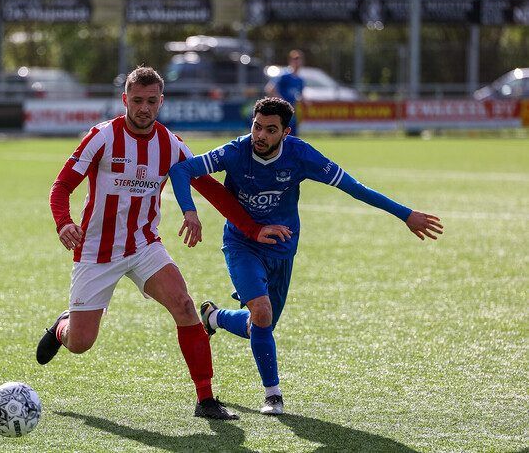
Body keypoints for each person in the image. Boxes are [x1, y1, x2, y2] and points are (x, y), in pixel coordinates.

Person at [37, 66, 290, 420]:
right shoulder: (101, 137)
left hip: (144, 245)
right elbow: (61, 186)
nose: (144, 108)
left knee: (185, 306)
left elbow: (211, 189)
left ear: (161, 102)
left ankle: (205, 400)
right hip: (97, 251)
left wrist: (251, 228)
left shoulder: (170, 144)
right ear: (125, 99)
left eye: (151, 101)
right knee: (81, 343)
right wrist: (64, 222)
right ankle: (64, 324)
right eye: (137, 100)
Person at [168, 96, 443, 416]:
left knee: (261, 325)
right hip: (242, 243)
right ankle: (273, 395)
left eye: (271, 130)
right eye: (257, 127)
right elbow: (183, 169)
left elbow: (355, 188)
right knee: (261, 311)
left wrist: (405, 214)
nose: (260, 135)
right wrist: (190, 213)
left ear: (285, 132)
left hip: (283, 249)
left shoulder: (301, 155)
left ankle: (213, 317)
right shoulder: (236, 151)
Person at [265, 49, 304, 136]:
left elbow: (299, 96)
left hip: (292, 113)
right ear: (290, 61)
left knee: (292, 138)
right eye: (295, 59)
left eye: (299, 59)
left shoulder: (300, 80)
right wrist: (282, 102)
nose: (297, 61)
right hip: (281, 112)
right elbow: (270, 89)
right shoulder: (284, 75)